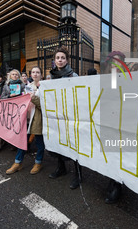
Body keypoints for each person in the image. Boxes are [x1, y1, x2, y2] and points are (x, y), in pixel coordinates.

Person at [48, 46, 81, 190]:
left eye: (62, 58)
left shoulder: (73, 76)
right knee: (58, 142)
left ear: (67, 60)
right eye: (57, 58)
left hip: (70, 116)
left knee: (74, 145)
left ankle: (78, 175)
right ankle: (61, 168)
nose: (60, 60)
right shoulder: (50, 77)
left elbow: (80, 96)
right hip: (56, 116)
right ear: (54, 61)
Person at [6, 66, 45, 175]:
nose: (35, 74)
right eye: (33, 72)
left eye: (37, 72)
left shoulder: (45, 87)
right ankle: (18, 162)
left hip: (38, 118)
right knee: (22, 141)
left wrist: (33, 98)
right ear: (30, 74)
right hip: (26, 118)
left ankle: (38, 162)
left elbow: (44, 105)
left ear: (41, 75)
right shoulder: (27, 86)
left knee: (39, 142)